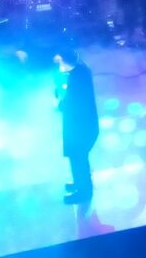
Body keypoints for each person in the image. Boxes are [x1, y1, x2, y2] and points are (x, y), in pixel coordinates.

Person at [55, 48, 98, 204]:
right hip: (83, 126)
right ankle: (81, 184)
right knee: (79, 159)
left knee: (78, 159)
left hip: (80, 128)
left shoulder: (77, 79)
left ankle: (84, 192)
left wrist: (61, 104)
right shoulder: (81, 70)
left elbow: (71, 103)